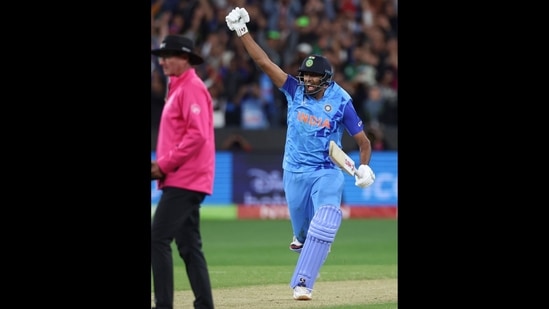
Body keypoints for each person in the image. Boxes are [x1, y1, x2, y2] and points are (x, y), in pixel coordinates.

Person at [225, 7, 376, 301]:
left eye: (313, 77)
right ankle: (311, 240)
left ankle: (302, 283)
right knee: (305, 236)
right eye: (305, 75)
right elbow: (263, 62)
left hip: (326, 170)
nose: (307, 80)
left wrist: (366, 167)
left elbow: (363, 141)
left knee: (328, 216)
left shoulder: (342, 101)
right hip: (294, 171)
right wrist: (242, 31)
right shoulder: (294, 91)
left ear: (326, 79)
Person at [150, 34, 216, 309]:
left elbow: (197, 135)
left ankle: (163, 304)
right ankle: (204, 304)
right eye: (162, 57)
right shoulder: (178, 87)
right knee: (189, 247)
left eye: (169, 56)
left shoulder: (191, 87)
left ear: (186, 58)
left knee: (157, 239)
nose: (163, 62)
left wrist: (163, 164)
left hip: (185, 178)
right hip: (183, 177)